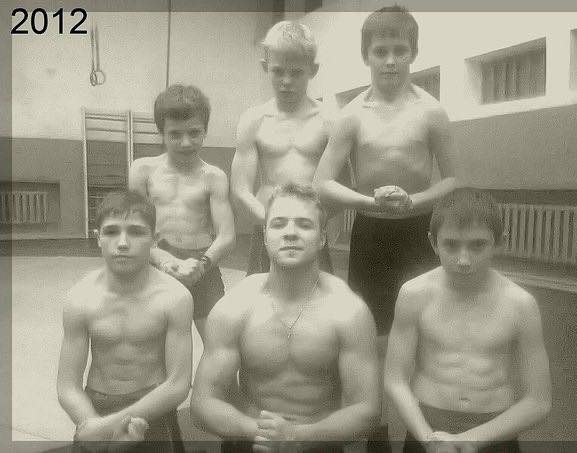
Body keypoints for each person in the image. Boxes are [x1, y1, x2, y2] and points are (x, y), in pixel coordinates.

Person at [190, 184, 380, 452]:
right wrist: (265, 434)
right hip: (252, 440)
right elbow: (202, 404)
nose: (290, 232)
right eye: (279, 224)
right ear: (265, 236)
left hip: (318, 442)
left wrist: (298, 436)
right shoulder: (236, 306)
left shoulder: (348, 310)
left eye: (304, 224)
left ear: (322, 238)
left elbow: (367, 410)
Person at [313, 5, 456, 339]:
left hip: (420, 230)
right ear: (366, 55)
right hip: (371, 231)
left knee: (423, 325)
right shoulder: (351, 116)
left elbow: (453, 180)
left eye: (400, 51)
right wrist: (369, 203)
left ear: (413, 53)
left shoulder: (432, 112)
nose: (390, 61)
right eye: (380, 52)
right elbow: (321, 183)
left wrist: (414, 201)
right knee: (369, 326)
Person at [384, 188, 552, 453]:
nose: (463, 260)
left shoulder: (521, 304)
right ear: (433, 243)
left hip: (495, 432)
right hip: (427, 429)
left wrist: (473, 438)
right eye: (451, 245)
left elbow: (539, 401)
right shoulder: (414, 294)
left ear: (500, 242)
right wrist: (429, 440)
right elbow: (395, 379)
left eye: (478, 245)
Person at [57, 191, 192, 450]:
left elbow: (178, 383)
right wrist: (91, 422)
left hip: (153, 408)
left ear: (155, 240)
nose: (122, 243)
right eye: (111, 232)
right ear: (97, 238)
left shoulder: (175, 297)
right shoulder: (80, 297)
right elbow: (67, 385)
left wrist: (103, 429)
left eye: (136, 232)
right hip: (95, 408)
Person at [129, 84, 235, 338]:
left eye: (194, 133)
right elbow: (133, 229)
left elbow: (227, 236)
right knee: (151, 342)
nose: (186, 142)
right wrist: (165, 262)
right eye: (175, 134)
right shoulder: (142, 171)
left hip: (202, 264)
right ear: (161, 133)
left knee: (220, 342)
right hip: (156, 263)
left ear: (205, 131)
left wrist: (201, 266)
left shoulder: (214, 177)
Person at [231, 20, 333, 275]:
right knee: (260, 298)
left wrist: (314, 224)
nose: (286, 80)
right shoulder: (254, 120)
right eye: (278, 71)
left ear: (313, 70)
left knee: (319, 298)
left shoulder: (329, 120)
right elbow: (240, 188)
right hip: (266, 226)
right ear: (265, 67)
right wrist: (271, 222)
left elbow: (338, 185)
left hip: (311, 229)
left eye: (296, 72)